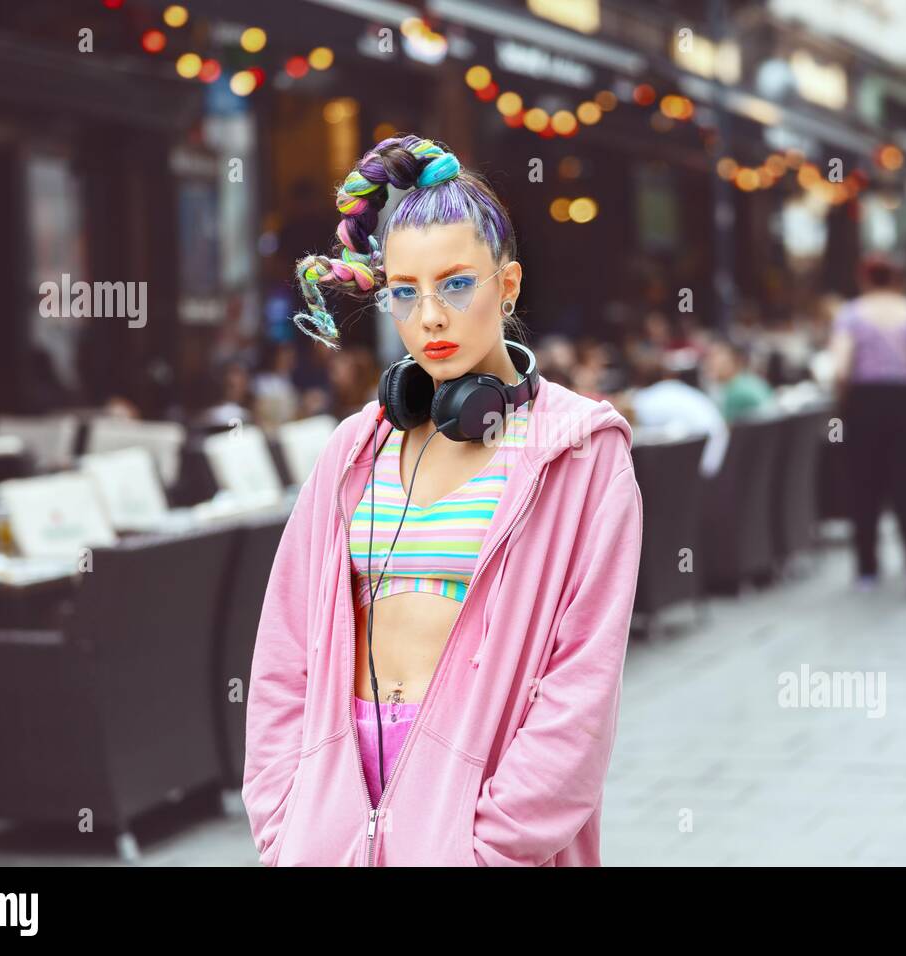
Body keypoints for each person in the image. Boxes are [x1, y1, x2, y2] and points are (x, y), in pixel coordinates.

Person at [241, 134, 644, 866]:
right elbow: (283, 656)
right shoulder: (353, 451)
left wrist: (486, 848)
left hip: (477, 833)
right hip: (330, 823)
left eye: (457, 283)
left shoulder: (583, 453)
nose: (428, 317)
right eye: (404, 291)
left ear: (509, 284)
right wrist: (284, 823)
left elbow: (580, 690)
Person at [829, 253, 906, 596]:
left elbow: (840, 369)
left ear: (863, 279)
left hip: (864, 404)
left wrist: (844, 400)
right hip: (905, 404)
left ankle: (867, 569)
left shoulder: (850, 315)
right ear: (895, 278)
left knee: (864, 487)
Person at [702, 337, 774, 421]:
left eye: (715, 357)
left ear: (735, 360)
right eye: (708, 358)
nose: (709, 363)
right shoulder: (753, 380)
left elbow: (722, 427)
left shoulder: (736, 392)